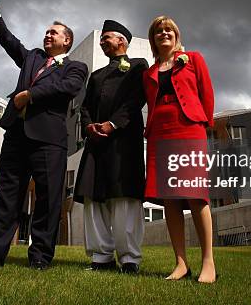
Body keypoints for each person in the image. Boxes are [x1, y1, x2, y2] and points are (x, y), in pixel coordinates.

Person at [0, 0, 88, 271]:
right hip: (17, 135)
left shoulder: (76, 67)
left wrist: (30, 95)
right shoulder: (31, 57)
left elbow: (67, 88)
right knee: (7, 196)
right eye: (46, 32)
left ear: (66, 40)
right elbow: (7, 40)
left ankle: (41, 257)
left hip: (49, 140)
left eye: (53, 32)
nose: (47, 35)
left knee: (47, 199)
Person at [142, 15, 216, 283]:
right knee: (170, 199)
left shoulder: (194, 58)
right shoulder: (148, 73)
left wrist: (204, 124)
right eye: (158, 31)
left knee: (196, 195)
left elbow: (207, 94)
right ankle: (181, 264)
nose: (164, 33)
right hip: (160, 132)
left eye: (168, 29)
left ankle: (208, 262)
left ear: (176, 34)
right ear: (153, 39)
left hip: (189, 128)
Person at [74, 20, 148, 274]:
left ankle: (129, 259)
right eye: (101, 38)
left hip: (124, 142)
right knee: (93, 198)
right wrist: (89, 126)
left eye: (106, 37)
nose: (102, 41)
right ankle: (101, 257)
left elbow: (135, 99)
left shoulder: (139, 66)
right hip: (96, 143)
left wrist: (113, 124)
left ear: (122, 41)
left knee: (124, 198)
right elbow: (84, 108)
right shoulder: (95, 76)